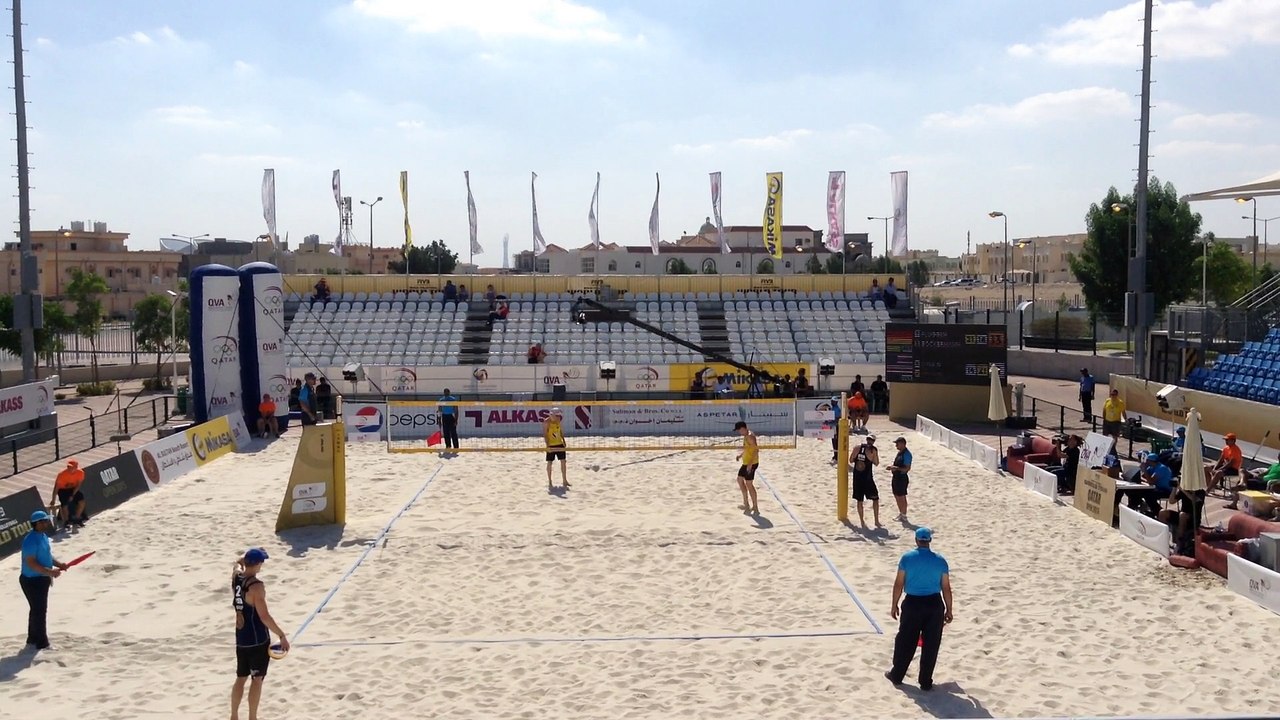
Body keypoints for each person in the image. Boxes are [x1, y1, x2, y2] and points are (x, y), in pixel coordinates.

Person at [885, 527, 953, 691]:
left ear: (916, 540)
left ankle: (897, 674)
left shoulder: (907, 558)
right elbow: (946, 588)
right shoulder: (940, 561)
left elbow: (898, 584)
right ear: (929, 541)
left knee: (905, 640)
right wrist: (949, 610)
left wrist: (894, 604)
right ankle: (925, 681)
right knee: (931, 643)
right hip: (934, 604)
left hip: (913, 604)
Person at [231, 547, 290, 720]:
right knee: (257, 680)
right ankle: (252, 717)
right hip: (257, 639)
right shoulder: (257, 587)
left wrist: (242, 560)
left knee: (240, 678)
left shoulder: (236, 577)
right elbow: (264, 616)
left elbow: (236, 564)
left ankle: (234, 716)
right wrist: (281, 635)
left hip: (241, 637)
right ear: (257, 564)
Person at [20, 510, 67, 650]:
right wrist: (50, 572)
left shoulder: (43, 536)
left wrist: (59, 565)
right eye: (45, 520)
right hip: (32, 581)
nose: (48, 522)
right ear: (38, 523)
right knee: (40, 610)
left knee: (36, 609)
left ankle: (32, 638)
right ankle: (42, 643)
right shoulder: (30, 540)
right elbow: (31, 563)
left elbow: (47, 556)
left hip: (42, 578)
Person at [850, 434, 881, 527]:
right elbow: (876, 463)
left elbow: (851, 460)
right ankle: (875, 521)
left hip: (858, 478)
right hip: (867, 479)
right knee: (875, 499)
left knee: (860, 501)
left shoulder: (857, 448)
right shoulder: (873, 451)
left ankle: (863, 522)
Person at [1210, 432, 1245, 506]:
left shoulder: (1236, 450)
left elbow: (1230, 464)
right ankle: (1212, 486)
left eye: (1228, 440)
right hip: (1225, 466)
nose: (1226, 441)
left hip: (1233, 469)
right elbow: (1221, 459)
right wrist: (1215, 467)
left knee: (1218, 473)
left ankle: (1208, 490)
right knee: (1207, 468)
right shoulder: (1225, 448)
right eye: (1226, 440)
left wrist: (1218, 469)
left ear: (1233, 441)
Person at [51, 459, 87, 529]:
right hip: (63, 490)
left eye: (71, 467)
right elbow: (56, 488)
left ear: (76, 468)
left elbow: (78, 485)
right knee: (64, 504)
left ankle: (76, 518)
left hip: (73, 489)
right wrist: (53, 500)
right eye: (68, 466)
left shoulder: (80, 473)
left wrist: (72, 495)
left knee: (82, 501)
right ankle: (66, 522)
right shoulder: (61, 474)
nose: (69, 468)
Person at [734, 421, 759, 515]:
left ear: (743, 428)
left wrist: (750, 464)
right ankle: (746, 503)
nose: (738, 432)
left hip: (751, 463)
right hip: (746, 463)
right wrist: (740, 455)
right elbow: (747, 448)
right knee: (739, 480)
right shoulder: (746, 436)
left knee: (749, 484)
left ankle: (755, 506)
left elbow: (756, 450)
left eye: (739, 430)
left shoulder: (749, 436)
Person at [887, 436, 913, 522]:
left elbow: (907, 468)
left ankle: (904, 515)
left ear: (902, 444)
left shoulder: (907, 454)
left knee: (902, 496)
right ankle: (901, 513)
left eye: (897, 444)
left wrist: (895, 468)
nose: (896, 446)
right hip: (896, 477)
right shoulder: (900, 452)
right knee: (896, 495)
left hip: (902, 478)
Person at [543, 408, 569, 490]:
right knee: (549, 463)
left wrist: (563, 441)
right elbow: (545, 434)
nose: (558, 416)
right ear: (552, 414)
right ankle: (550, 481)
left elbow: (560, 431)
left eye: (559, 415)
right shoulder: (546, 422)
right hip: (551, 445)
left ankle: (564, 480)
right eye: (557, 415)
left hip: (559, 444)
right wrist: (547, 446)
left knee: (563, 462)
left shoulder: (558, 420)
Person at [438, 388, 459, 455]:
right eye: (445, 392)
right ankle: (448, 446)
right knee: (446, 433)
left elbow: (456, 410)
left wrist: (456, 419)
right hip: (445, 417)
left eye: (447, 392)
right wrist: (439, 420)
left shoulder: (453, 399)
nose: (446, 393)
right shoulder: (441, 400)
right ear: (444, 393)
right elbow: (439, 411)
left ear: (449, 392)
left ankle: (455, 447)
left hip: (450, 416)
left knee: (453, 433)